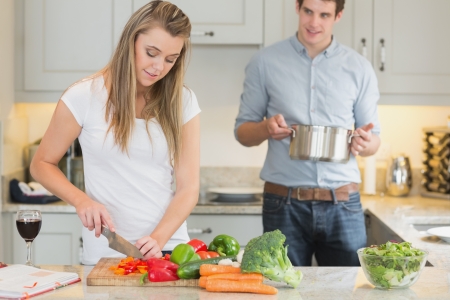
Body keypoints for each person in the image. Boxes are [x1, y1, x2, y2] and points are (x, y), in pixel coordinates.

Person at [30, 1, 200, 265]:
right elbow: (41, 164)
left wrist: (158, 239)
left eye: (170, 59)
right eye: (151, 52)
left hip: (169, 249)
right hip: (107, 253)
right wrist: (81, 201)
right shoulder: (84, 95)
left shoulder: (183, 101)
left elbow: (188, 187)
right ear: (131, 41)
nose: (159, 67)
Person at [234, 0, 381, 266]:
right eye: (308, 12)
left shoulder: (359, 68)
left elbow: (374, 141)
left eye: (324, 14)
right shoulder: (264, 62)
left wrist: (365, 142)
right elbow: (243, 133)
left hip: (343, 204)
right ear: (297, 8)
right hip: (283, 203)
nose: (314, 23)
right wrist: (265, 128)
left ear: (338, 15)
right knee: (283, 291)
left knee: (345, 291)